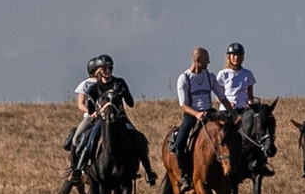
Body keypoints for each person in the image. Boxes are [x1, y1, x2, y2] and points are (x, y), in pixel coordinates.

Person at [70, 55, 157, 185]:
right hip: (102, 120)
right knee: (92, 138)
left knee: (136, 137)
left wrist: (125, 93)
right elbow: (91, 108)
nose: (108, 71)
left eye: (110, 68)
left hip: (120, 117)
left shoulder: (119, 82)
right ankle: (79, 169)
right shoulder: (95, 88)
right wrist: (93, 114)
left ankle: (148, 171)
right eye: (105, 68)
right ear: (100, 70)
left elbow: (130, 103)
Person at [215, 42, 271, 176]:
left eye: (239, 55)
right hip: (226, 111)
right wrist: (228, 103)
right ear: (228, 57)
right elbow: (218, 96)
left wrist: (251, 105)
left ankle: (260, 163)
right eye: (233, 55)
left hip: (243, 111)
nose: (236, 58)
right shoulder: (223, 74)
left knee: (257, 133)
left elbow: (250, 95)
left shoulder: (247, 74)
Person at [170, 46, 222, 177]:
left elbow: (222, 96)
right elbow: (183, 105)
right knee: (180, 143)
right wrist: (196, 114)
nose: (209, 62)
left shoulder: (210, 76)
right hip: (192, 115)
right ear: (198, 60)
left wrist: (232, 113)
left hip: (210, 113)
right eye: (206, 59)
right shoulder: (184, 79)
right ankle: (184, 174)